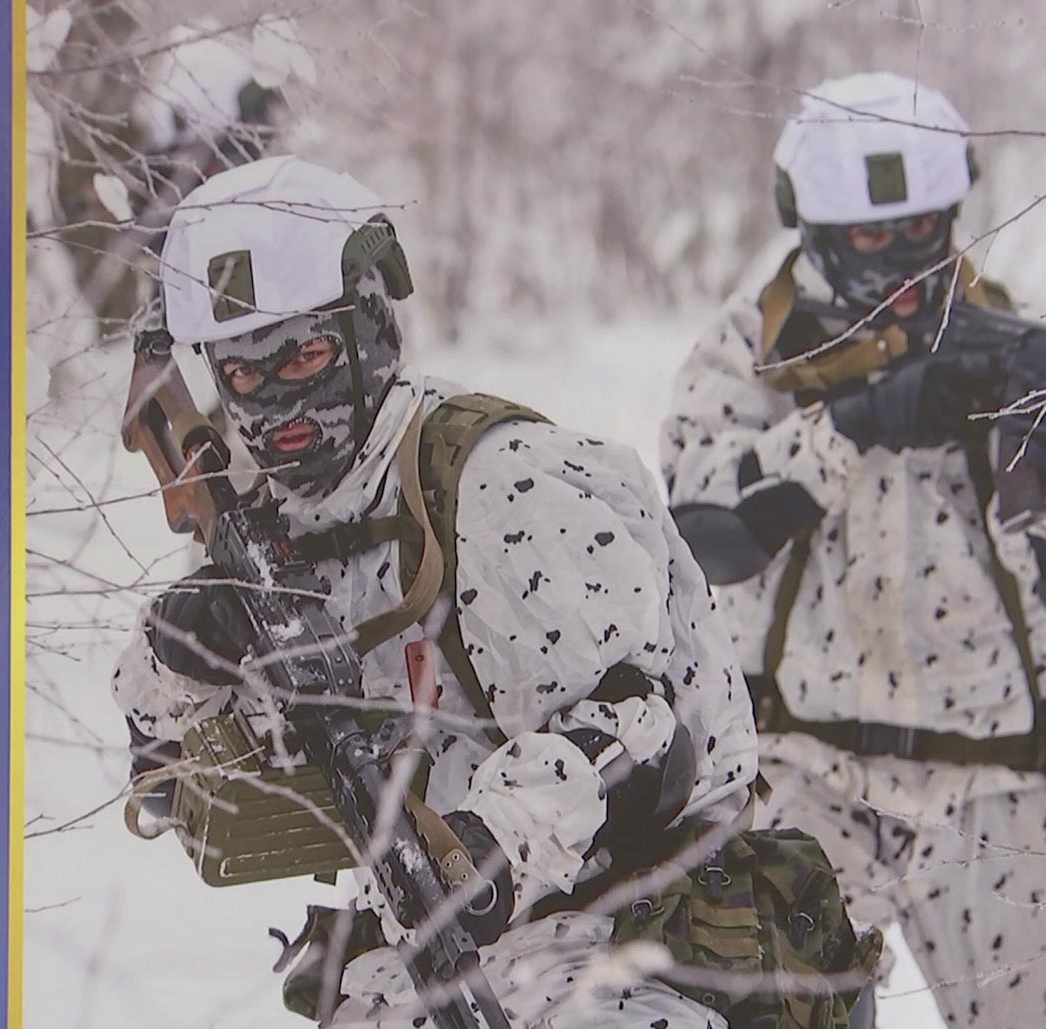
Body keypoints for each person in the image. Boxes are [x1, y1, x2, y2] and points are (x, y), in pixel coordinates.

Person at [111, 155, 875, 1027]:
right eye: (244, 375)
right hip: (461, 950)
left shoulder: (499, 480)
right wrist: (174, 655)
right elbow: (164, 776)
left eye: (307, 355)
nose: (278, 400)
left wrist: (480, 846)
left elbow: (641, 737)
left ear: (367, 330)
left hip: (652, 926)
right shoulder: (266, 521)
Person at [660, 73, 1046, 1028]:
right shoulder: (752, 348)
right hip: (803, 766)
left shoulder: (1016, 333)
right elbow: (702, 528)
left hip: (991, 778)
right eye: (870, 236)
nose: (898, 257)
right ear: (813, 226)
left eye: (921, 229)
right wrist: (859, 421)